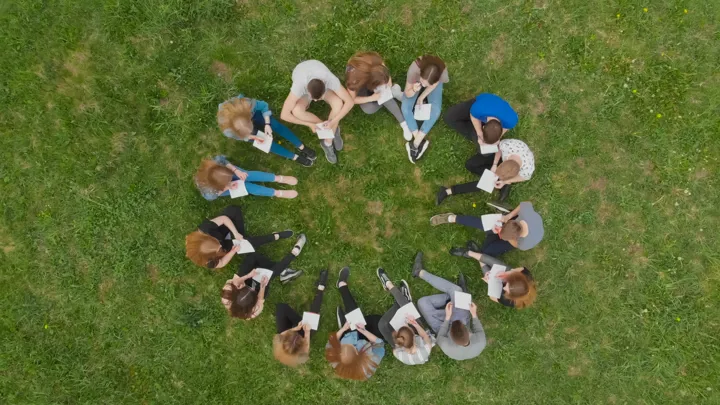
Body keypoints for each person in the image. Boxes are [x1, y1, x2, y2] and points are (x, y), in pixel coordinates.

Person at [410, 252, 486, 360]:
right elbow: (478, 328)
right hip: (462, 320)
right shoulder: (481, 341)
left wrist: (447, 317)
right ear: (469, 333)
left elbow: (441, 332)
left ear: (451, 338)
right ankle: (420, 273)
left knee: (422, 303)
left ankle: (457, 297)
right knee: (457, 290)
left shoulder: (445, 344)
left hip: (442, 327)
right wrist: (474, 314)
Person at [280, 60, 354, 164]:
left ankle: (328, 139)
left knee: (338, 103)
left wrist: (334, 121)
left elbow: (349, 102)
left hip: (316, 71)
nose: (315, 101)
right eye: (313, 99)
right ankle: (328, 130)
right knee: (296, 111)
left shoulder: (330, 79)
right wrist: (309, 124)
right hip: (302, 73)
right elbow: (284, 115)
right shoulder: (299, 86)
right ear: (307, 90)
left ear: (325, 85)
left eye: (318, 98)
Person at [220, 235, 307, 319]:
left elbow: (235, 281)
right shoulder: (255, 309)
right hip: (259, 290)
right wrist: (262, 286)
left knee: (253, 257)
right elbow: (260, 298)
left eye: (244, 289)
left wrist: (248, 276)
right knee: (268, 275)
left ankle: (282, 271)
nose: (251, 288)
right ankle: (293, 254)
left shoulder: (227, 294)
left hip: (242, 279)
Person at [217, 94, 316, 167]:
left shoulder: (248, 105)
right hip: (243, 122)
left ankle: (301, 146)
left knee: (276, 125)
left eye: (250, 126)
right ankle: (294, 157)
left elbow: (264, 106)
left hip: (253, 113)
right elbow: (241, 137)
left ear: (249, 118)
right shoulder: (228, 131)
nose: (251, 130)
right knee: (264, 143)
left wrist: (267, 124)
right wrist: (250, 136)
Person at [185, 206, 294, 269]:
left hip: (221, 230)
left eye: (216, 243)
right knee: (247, 243)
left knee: (233, 210)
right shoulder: (209, 261)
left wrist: (236, 233)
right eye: (217, 248)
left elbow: (223, 218)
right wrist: (232, 251)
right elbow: (221, 263)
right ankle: (275, 236)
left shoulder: (205, 229)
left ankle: (244, 240)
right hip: (228, 247)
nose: (219, 245)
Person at [325, 266, 385, 380]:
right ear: (358, 353)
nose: (351, 344)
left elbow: (331, 342)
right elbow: (379, 344)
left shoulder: (334, 360)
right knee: (378, 322)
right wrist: (364, 331)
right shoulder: (371, 361)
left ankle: (341, 285)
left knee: (355, 316)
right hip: (367, 339)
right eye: (352, 346)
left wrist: (343, 330)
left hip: (350, 332)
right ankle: (342, 286)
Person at [436, 138, 535, 205]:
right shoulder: (508, 146)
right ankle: (502, 185)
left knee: (486, 183)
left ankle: (448, 191)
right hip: (499, 158)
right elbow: (499, 150)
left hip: (507, 171)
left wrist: (505, 181)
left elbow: (524, 177)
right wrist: (495, 164)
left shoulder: (528, 168)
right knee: (470, 165)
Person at [430, 201, 545, 257]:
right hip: (516, 222)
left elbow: (514, 243)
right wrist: (508, 217)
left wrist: (502, 234)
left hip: (515, 237)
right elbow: (525, 203)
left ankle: (491, 233)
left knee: (487, 251)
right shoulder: (526, 213)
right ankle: (453, 218)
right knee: (484, 224)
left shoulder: (523, 244)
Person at [344, 52, 412, 140]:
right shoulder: (353, 80)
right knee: (369, 109)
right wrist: (371, 98)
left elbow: (382, 66)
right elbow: (351, 99)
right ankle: (393, 92)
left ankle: (403, 123)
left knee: (384, 95)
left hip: (371, 79)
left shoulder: (373, 61)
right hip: (361, 87)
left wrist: (388, 80)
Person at [450, 243, 537, 309]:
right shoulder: (526, 277)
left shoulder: (510, 301)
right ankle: (468, 253)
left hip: (497, 286)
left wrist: (490, 282)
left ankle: (478, 253)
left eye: (507, 290)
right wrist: (509, 273)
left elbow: (493, 297)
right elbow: (521, 268)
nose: (504, 288)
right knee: (493, 262)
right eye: (507, 285)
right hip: (510, 274)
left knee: (487, 272)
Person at [376, 268, 434, 365]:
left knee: (382, 325)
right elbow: (424, 335)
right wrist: (415, 325)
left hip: (400, 343)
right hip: (414, 335)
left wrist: (398, 344)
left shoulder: (399, 354)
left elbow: (395, 350)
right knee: (408, 310)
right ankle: (402, 298)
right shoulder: (426, 348)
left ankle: (394, 292)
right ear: (414, 337)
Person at [273, 269, 329, 366]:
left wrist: (295, 328)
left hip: (290, 331)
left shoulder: (280, 342)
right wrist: (306, 332)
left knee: (281, 308)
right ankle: (321, 287)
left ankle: (295, 323)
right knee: (313, 316)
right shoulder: (302, 354)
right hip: (304, 334)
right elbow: (306, 347)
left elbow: (281, 334)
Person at [400, 55, 449, 163]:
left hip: (432, 82)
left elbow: (434, 85)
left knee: (435, 111)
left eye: (427, 84)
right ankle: (419, 142)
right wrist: (413, 90)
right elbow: (407, 93)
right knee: (405, 108)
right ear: (420, 74)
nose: (424, 85)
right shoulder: (414, 70)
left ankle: (416, 143)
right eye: (423, 81)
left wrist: (422, 96)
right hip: (414, 85)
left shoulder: (442, 73)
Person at [194, 156, 298, 200]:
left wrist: (235, 171)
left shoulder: (215, 163)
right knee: (247, 187)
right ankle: (276, 193)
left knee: (247, 175)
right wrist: (228, 187)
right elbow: (215, 195)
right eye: (228, 180)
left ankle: (278, 178)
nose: (231, 180)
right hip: (223, 188)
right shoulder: (210, 192)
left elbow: (222, 160)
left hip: (226, 176)